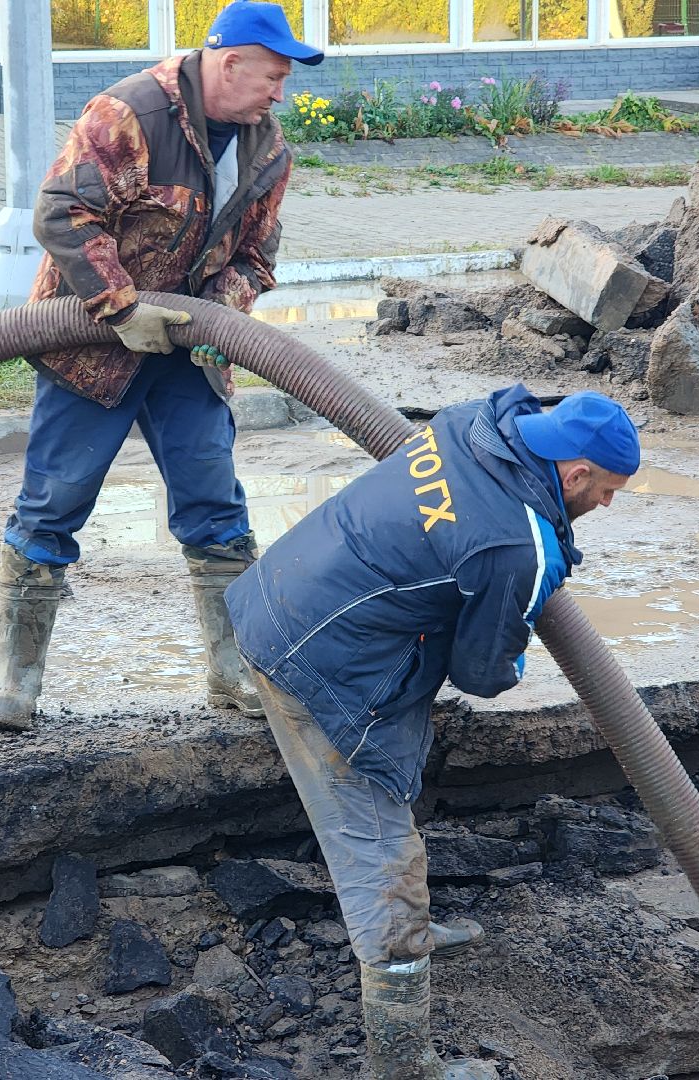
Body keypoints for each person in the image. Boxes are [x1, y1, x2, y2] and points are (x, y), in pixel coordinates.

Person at [226, 387, 640, 1079]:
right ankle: (403, 1057)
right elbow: (482, 672)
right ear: (573, 474)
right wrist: (512, 643)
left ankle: (406, 938)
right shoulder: (518, 547)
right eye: (605, 491)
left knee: (395, 777)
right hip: (317, 664)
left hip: (275, 593)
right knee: (380, 851)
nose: (607, 505)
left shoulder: (477, 423)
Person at [0, 1, 323, 732]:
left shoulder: (266, 149)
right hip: (92, 348)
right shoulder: (130, 113)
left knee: (217, 511)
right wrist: (121, 306)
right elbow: (65, 212)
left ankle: (234, 673)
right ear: (229, 64)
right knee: (54, 504)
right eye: (273, 76)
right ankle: (14, 684)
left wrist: (218, 314)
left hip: (187, 357)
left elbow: (257, 258)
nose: (279, 93)